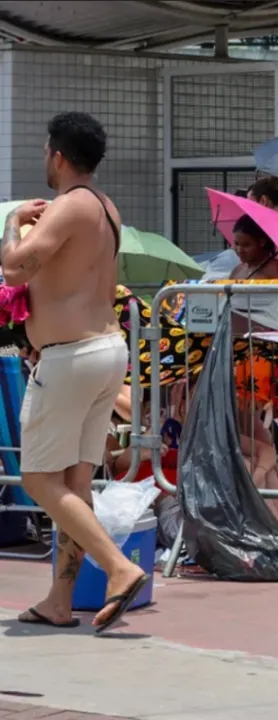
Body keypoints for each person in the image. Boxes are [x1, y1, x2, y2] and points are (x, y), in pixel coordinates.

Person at [2, 111, 148, 633]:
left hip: (72, 357)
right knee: (75, 483)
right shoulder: (105, 207)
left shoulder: (68, 207)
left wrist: (13, 223)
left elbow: (16, 266)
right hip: (106, 350)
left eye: (45, 152)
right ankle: (58, 600)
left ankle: (118, 567)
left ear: (58, 156)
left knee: (39, 478)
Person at [228, 215, 278, 280]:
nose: (239, 250)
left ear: (262, 242)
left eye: (246, 245)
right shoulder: (237, 271)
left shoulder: (275, 269)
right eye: (236, 244)